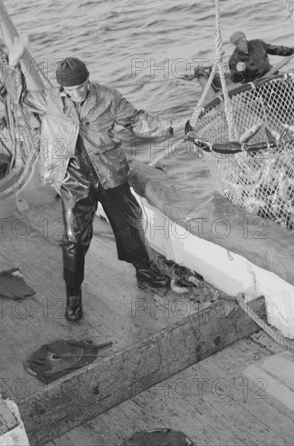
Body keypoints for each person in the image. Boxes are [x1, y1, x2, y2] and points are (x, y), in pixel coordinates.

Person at [20, 57, 178, 321]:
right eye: (72, 89)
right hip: (73, 178)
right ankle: (73, 296)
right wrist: (15, 66)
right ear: (62, 89)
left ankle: (145, 272)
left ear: (88, 79)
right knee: (74, 239)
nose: (79, 92)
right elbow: (19, 96)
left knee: (131, 222)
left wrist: (172, 126)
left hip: (109, 172)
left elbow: (136, 120)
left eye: (82, 85)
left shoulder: (107, 96)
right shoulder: (48, 100)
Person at [228, 31, 294, 84]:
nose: (241, 45)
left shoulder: (258, 44)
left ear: (245, 38)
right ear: (235, 45)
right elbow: (234, 79)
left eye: (242, 41)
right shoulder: (234, 59)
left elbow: (275, 49)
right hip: (254, 84)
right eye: (238, 44)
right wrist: (239, 72)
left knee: (290, 85)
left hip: (271, 74)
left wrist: (293, 51)